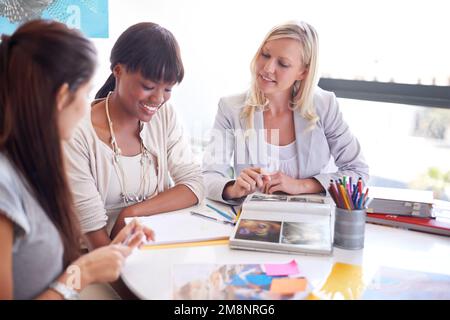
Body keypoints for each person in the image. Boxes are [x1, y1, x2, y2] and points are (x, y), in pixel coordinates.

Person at [0, 20, 153, 300]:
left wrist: (110, 253)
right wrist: (82, 273)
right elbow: (71, 277)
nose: (88, 105)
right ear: (62, 98)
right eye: (86, 92)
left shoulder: (34, 164)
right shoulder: (4, 184)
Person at [64, 22, 204, 249]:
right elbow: (95, 239)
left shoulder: (164, 115)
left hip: (151, 248)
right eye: (148, 86)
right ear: (118, 71)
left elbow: (194, 184)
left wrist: (131, 213)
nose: (158, 99)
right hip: (92, 262)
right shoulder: (77, 133)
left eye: (168, 89)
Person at [203, 21, 369, 203]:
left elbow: (358, 171)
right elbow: (209, 176)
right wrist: (233, 188)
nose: (267, 68)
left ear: (303, 72)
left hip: (311, 222)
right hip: (255, 222)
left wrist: (301, 185)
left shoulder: (324, 105)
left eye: (283, 64)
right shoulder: (230, 108)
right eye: (265, 55)